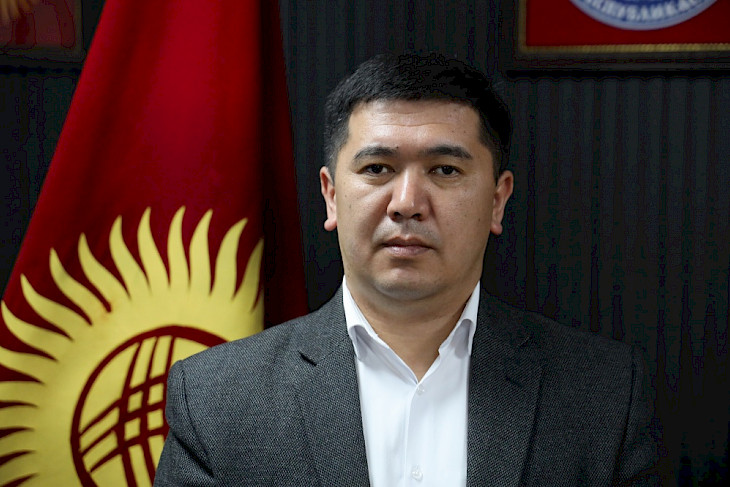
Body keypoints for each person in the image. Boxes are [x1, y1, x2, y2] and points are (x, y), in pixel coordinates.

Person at [154, 53, 660, 486]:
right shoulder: (216, 399)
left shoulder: (604, 394)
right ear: (331, 195)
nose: (407, 203)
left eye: (445, 170)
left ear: (497, 200)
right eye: (377, 169)